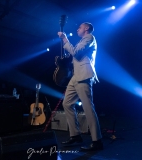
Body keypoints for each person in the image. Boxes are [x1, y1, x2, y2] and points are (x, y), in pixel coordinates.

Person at [57, 22, 103, 151]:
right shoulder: (82, 40)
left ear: (86, 29)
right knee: (67, 103)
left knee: (88, 107)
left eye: (80, 27)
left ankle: (97, 141)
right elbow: (76, 56)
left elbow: (76, 53)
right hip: (75, 76)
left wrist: (65, 39)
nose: (77, 29)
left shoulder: (89, 38)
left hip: (84, 75)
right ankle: (75, 135)